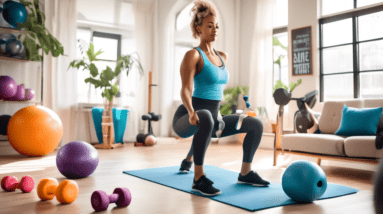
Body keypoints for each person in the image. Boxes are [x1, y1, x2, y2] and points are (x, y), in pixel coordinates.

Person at [172, 0, 269, 197]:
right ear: (198, 28)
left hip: (214, 118)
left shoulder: (222, 56)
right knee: (205, 117)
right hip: (186, 117)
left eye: (216, 26)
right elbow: (185, 90)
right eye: (209, 26)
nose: (215, 30)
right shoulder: (193, 55)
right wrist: (191, 112)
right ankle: (198, 178)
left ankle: (246, 172)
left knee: (255, 124)